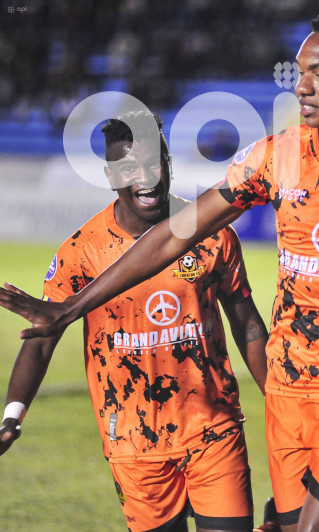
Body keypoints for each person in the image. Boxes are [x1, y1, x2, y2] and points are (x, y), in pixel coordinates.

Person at [0, 7, 319, 532]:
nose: (303, 88)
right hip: (288, 382)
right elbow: (173, 235)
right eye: (300, 72)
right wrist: (69, 310)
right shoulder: (276, 157)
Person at [0, 110, 269, 532]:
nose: (144, 177)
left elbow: (247, 323)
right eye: (128, 167)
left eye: (153, 163)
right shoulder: (82, 251)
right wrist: (13, 414)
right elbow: (42, 338)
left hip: (213, 428)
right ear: (110, 176)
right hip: (132, 441)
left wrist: (281, 402)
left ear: (168, 164)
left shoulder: (211, 233)